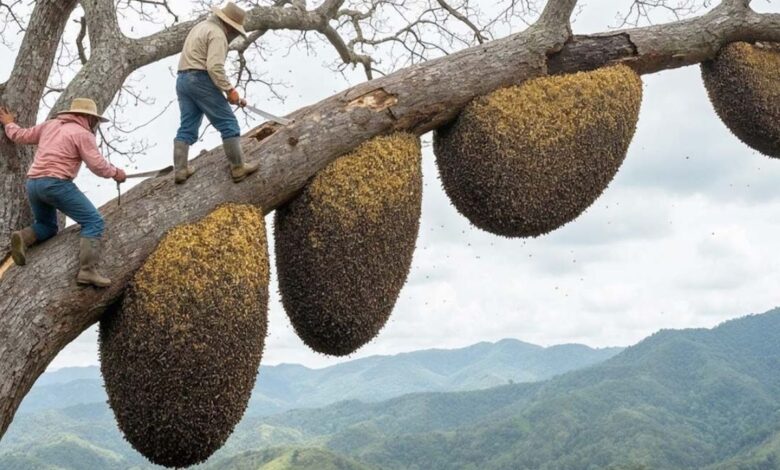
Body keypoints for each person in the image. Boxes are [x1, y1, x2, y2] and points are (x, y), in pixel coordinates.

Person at [0, 98, 127, 287]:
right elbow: (97, 166)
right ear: (88, 117)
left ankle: (24, 236)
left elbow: (21, 135)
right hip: (55, 184)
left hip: (33, 184)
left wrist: (9, 123)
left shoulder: (50, 125)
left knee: (47, 226)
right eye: (95, 120)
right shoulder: (83, 134)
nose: (95, 124)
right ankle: (87, 271)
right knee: (94, 221)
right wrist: (117, 173)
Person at [173, 1, 259, 184]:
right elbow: (214, 67)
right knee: (228, 123)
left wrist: (227, 92)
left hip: (182, 80)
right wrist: (230, 90)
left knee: (187, 127)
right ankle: (238, 167)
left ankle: (180, 170)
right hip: (200, 79)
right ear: (229, 24)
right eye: (235, 30)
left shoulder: (200, 27)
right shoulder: (218, 34)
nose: (235, 34)